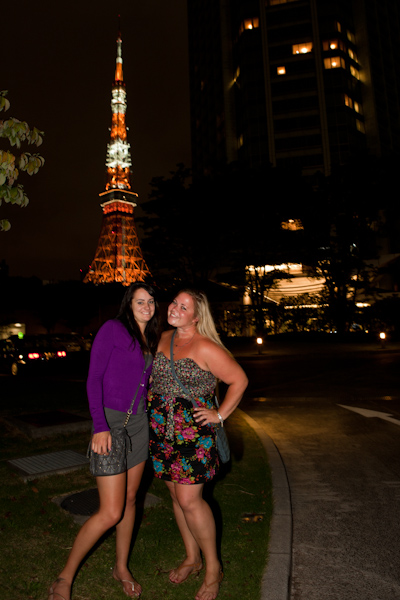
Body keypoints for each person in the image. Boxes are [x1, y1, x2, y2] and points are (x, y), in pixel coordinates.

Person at [48, 282, 159, 600]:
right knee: (111, 511)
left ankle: (120, 567)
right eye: (140, 301)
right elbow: (94, 377)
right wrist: (99, 426)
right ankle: (64, 578)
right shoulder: (112, 329)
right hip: (110, 424)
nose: (147, 306)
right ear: (128, 304)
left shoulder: (149, 336)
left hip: (139, 426)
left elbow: (141, 381)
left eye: (151, 301)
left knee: (130, 500)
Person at [147, 289, 248, 600]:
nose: (175, 308)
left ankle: (213, 567)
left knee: (191, 500)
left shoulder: (205, 346)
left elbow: (239, 380)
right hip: (162, 429)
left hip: (193, 433)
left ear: (196, 317)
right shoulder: (163, 336)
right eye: (175, 302)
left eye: (184, 306)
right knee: (176, 496)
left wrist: (219, 415)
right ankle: (192, 557)